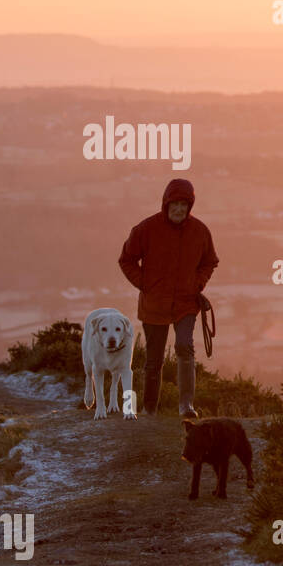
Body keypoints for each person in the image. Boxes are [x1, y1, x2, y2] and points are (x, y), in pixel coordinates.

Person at [118, 178, 219, 418]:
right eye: (175, 203)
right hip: (154, 304)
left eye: (184, 204)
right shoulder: (145, 229)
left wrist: (198, 283)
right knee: (154, 359)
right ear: (166, 203)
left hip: (186, 303)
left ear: (190, 206)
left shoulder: (200, 231)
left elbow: (210, 262)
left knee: (184, 346)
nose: (179, 209)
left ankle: (186, 406)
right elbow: (126, 260)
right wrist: (145, 284)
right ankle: (150, 409)